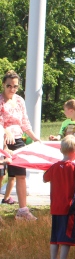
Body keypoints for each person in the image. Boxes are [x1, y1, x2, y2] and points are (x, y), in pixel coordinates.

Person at [43, 136, 75, 259]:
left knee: (55, 236)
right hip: (68, 208)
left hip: (55, 207)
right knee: (66, 236)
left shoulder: (54, 166)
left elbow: (44, 178)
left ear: (60, 150)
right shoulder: (74, 167)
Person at [0, 70, 42, 219]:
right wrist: (5, 131)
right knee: (0, 175)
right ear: (3, 85)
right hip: (1, 141)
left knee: (21, 175)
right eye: (9, 86)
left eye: (15, 86)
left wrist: (35, 138)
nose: (12, 89)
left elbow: (25, 122)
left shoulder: (19, 100)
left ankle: (23, 210)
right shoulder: (0, 100)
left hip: (17, 140)